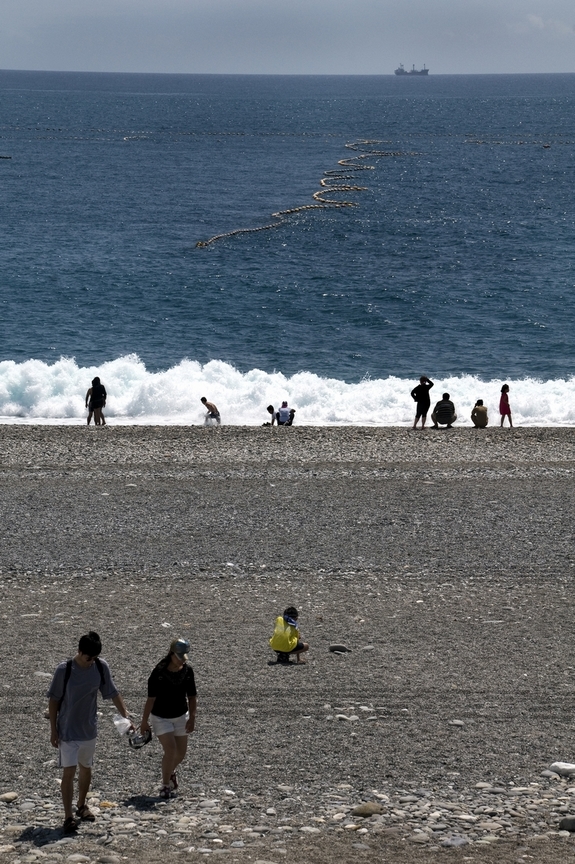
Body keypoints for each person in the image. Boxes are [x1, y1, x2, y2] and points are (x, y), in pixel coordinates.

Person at [47, 632, 133, 834]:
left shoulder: (101, 667)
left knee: (86, 767)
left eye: (94, 658)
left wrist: (126, 717)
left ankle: (81, 805)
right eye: (88, 658)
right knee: (69, 773)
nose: (90, 662)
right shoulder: (64, 670)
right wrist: (53, 730)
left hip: (89, 729)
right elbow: (53, 701)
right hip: (67, 730)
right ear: (79, 651)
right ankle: (68, 817)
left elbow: (112, 693)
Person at [140, 638, 197, 800]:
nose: (181, 661)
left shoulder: (187, 671)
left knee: (181, 753)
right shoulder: (158, 673)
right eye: (179, 656)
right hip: (161, 717)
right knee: (171, 750)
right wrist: (144, 722)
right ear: (171, 654)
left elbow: (192, 696)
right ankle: (165, 785)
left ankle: (169, 772)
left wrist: (192, 717)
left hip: (181, 716)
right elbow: (150, 699)